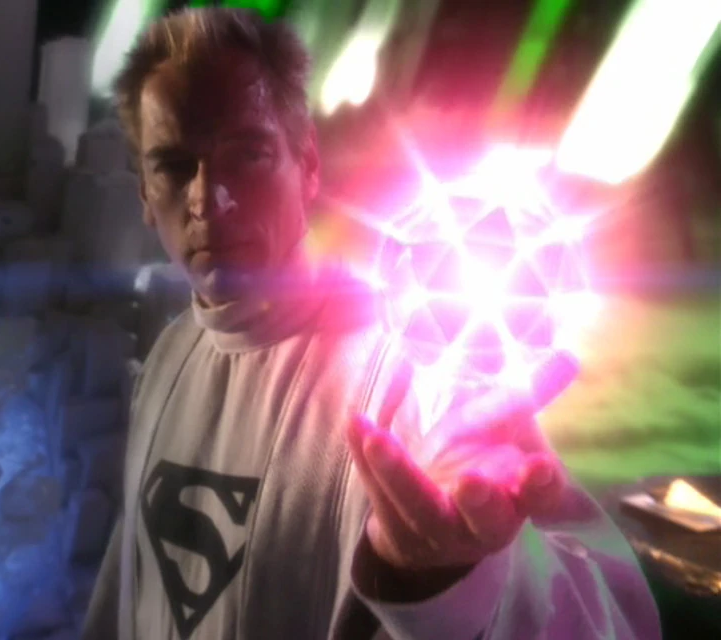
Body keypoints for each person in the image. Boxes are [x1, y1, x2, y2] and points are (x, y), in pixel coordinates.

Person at [82, 7, 661, 640]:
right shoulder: (170, 354)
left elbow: (611, 624)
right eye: (173, 166)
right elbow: (131, 584)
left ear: (307, 165)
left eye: (246, 154)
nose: (208, 199)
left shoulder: (420, 374)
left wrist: (451, 581)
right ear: (144, 194)